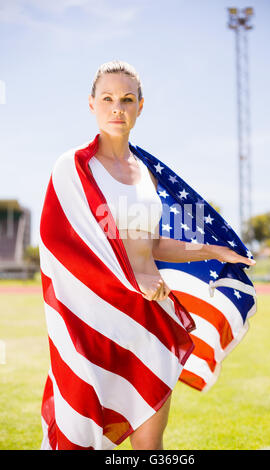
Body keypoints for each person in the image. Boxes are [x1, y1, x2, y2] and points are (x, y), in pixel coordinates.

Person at [39, 60, 256, 451]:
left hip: (150, 319)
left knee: (150, 443)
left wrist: (212, 249)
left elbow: (150, 244)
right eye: (107, 98)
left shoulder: (146, 173)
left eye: (126, 99)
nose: (117, 108)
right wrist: (133, 280)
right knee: (83, 434)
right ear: (91, 104)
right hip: (95, 320)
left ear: (141, 105)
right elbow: (64, 245)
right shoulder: (73, 167)